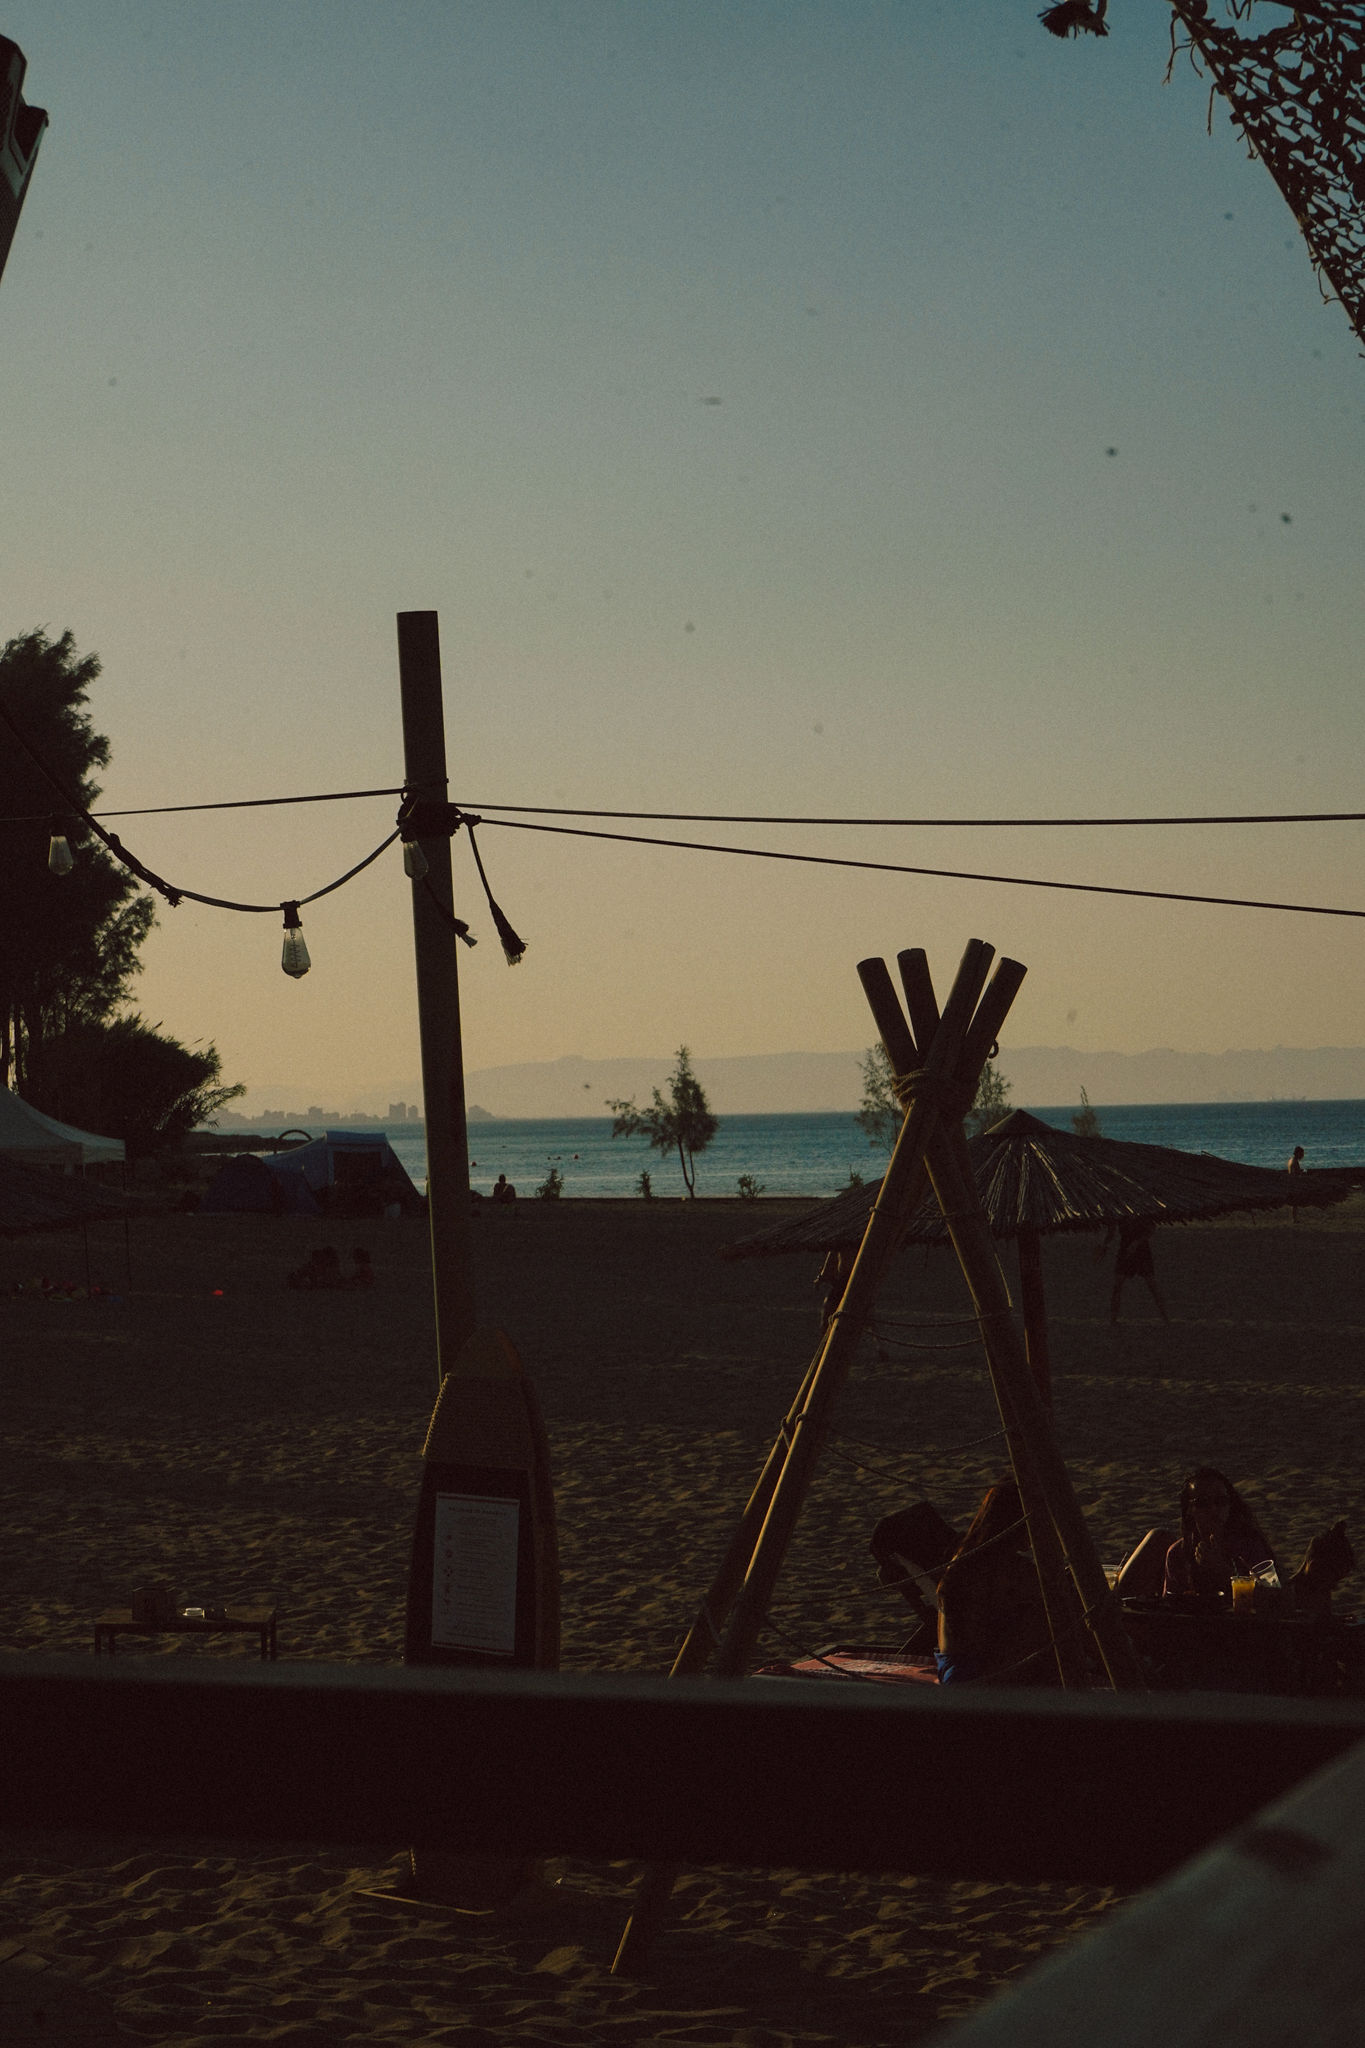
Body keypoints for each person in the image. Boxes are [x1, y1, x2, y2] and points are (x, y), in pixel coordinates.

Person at [934, 1481, 1056, 1686]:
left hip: (962, 1668)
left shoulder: (970, 1556)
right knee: (1050, 1617)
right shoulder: (988, 1567)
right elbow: (980, 1644)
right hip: (973, 1675)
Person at [1101, 1216, 1169, 1324]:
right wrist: (1105, 1245)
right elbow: (1111, 1230)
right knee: (1118, 1285)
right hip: (1125, 1251)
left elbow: (1151, 1229)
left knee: (1152, 1285)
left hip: (1142, 1251)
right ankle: (1113, 1319)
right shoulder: (1119, 1212)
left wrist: (1136, 1243)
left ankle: (1166, 1317)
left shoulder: (1140, 1211)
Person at [1288, 1144, 1305, 1223]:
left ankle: (1294, 1219)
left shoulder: (1292, 1160)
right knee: (1294, 1203)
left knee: (1294, 1203)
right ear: (1298, 1153)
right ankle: (1294, 1219)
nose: (1302, 1156)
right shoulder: (1294, 1162)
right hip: (1293, 1184)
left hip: (1292, 1183)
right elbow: (1294, 1174)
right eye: (1302, 1154)